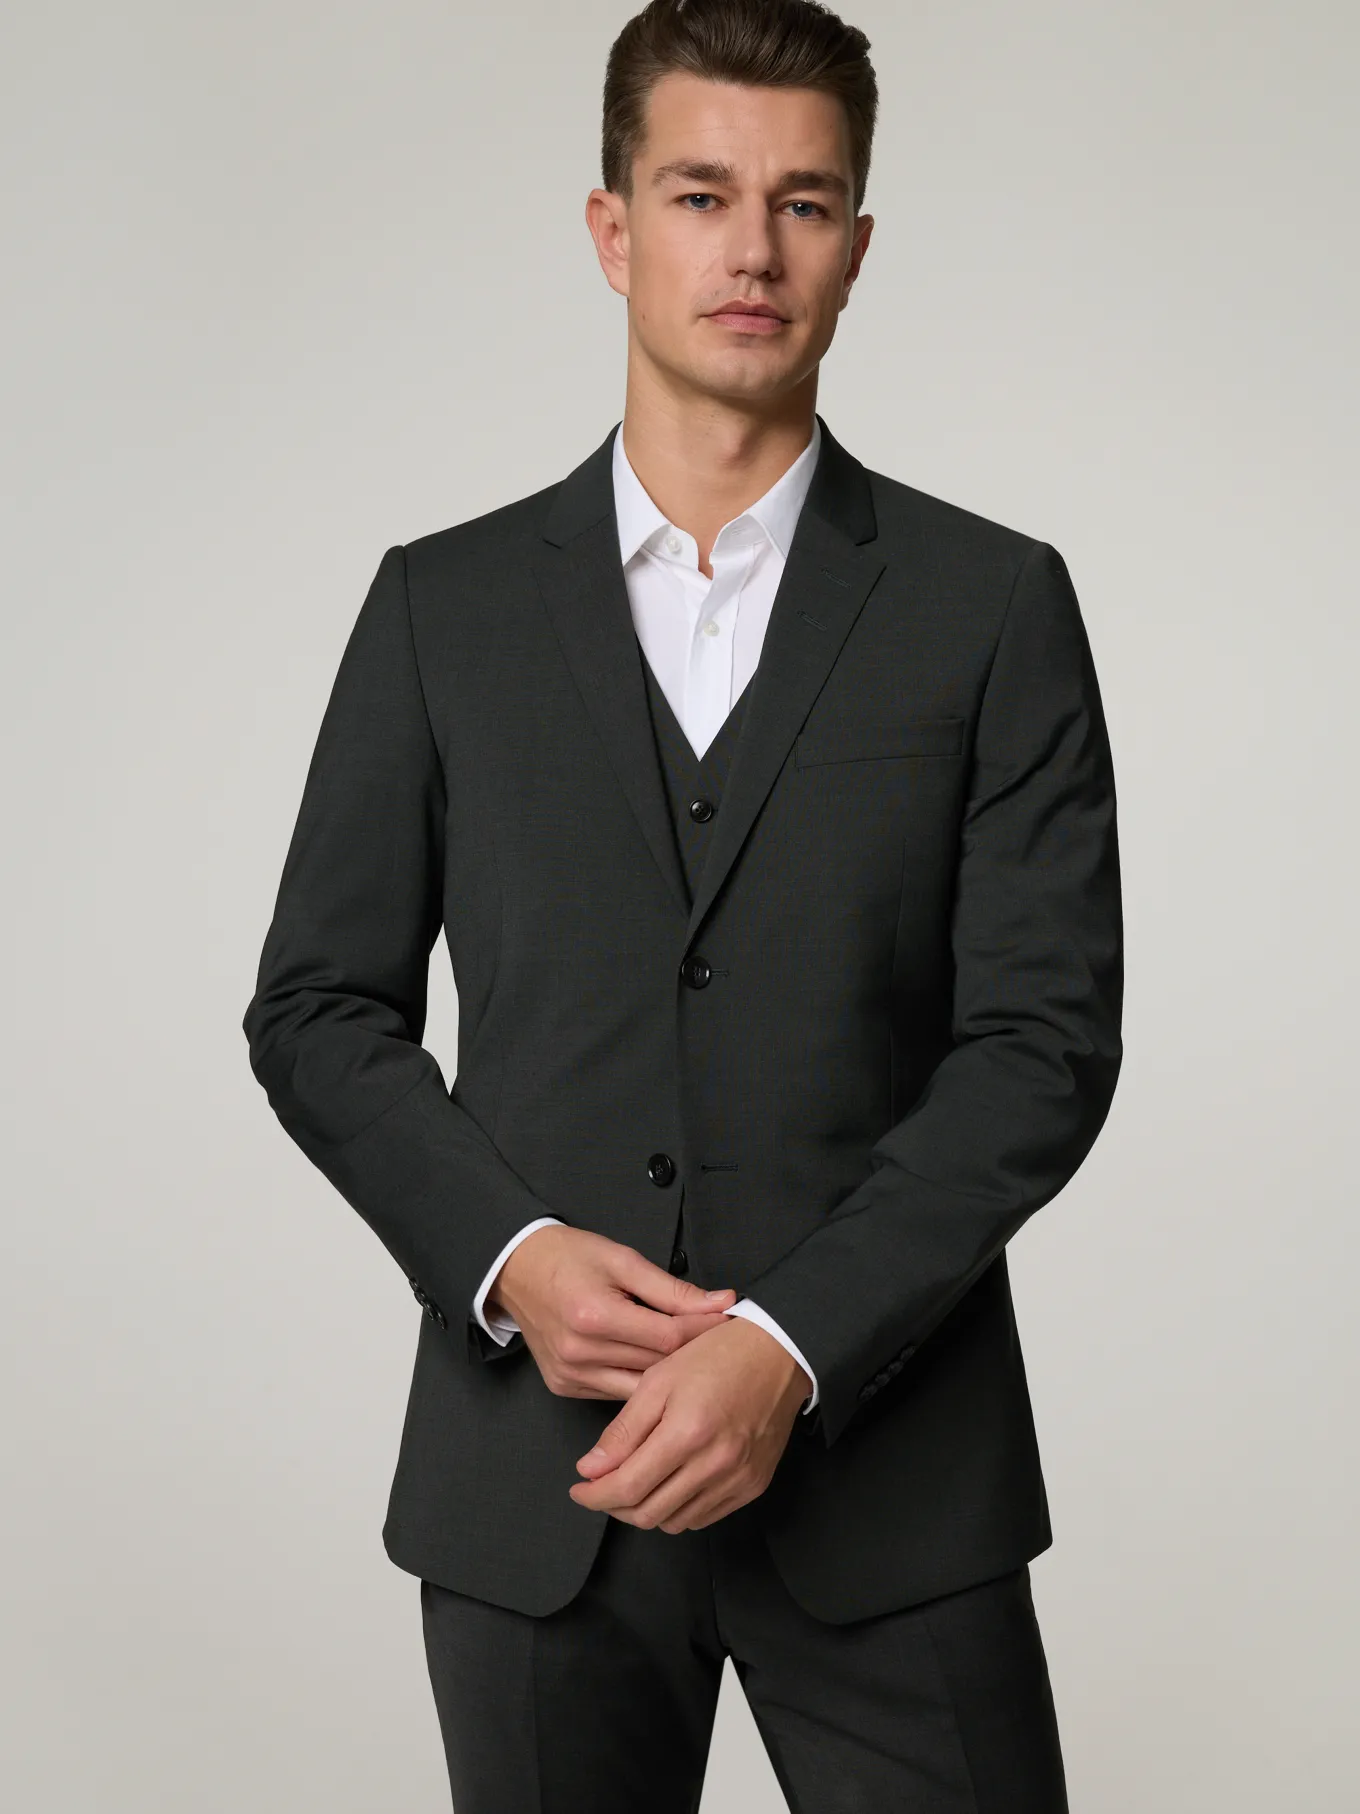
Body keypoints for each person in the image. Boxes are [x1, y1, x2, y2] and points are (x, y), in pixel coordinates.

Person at [242, 2, 1123, 1807]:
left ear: (856, 247)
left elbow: (1041, 1045)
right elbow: (318, 1009)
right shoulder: (442, 610)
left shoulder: (991, 605)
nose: (753, 250)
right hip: (538, 1486)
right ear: (612, 228)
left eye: (804, 203)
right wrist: (509, 1256)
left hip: (895, 1483)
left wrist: (790, 1345)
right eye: (702, 193)